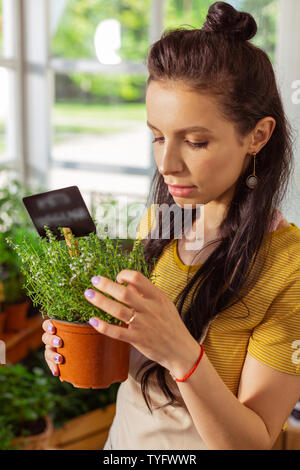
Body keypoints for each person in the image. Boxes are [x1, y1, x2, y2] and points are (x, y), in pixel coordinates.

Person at [41, 2, 300, 450]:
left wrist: (180, 350)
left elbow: (254, 441)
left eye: (195, 141)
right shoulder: (158, 225)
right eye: (157, 136)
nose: (166, 163)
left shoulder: (288, 266)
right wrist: (83, 343)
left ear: (257, 136)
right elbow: (134, 373)